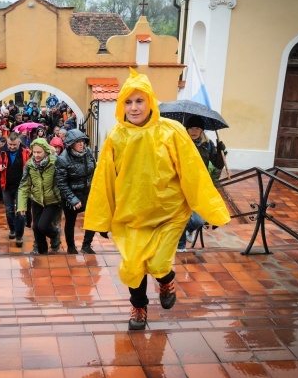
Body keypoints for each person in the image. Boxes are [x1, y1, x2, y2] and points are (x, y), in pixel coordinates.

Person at [84, 69, 230, 330]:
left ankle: (166, 281)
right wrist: (100, 220)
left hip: (169, 214)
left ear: (150, 101)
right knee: (132, 266)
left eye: (139, 100)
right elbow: (104, 179)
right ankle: (139, 307)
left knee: (159, 263)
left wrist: (212, 210)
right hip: (130, 217)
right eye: (128, 101)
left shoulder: (172, 131)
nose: (134, 107)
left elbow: (193, 172)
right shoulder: (116, 136)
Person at [176, 116, 227, 252]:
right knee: (181, 216)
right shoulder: (180, 142)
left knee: (199, 219)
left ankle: (190, 229)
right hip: (181, 184)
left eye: (197, 128)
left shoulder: (207, 144)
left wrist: (221, 152)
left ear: (202, 130)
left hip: (199, 185)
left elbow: (217, 164)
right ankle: (180, 246)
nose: (194, 130)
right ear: (186, 129)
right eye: (191, 127)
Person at [55, 129, 97, 254]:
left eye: (83, 141)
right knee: (70, 221)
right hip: (71, 194)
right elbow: (61, 183)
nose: (81, 144)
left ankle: (87, 244)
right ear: (70, 143)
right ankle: (71, 247)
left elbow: (94, 171)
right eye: (78, 142)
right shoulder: (63, 159)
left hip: (87, 192)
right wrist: (73, 199)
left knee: (93, 218)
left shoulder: (88, 153)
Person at [17, 138, 61, 255]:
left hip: (53, 200)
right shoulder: (30, 165)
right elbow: (24, 186)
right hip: (36, 199)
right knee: (36, 228)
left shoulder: (55, 162)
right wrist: (22, 206)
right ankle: (43, 252)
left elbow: (63, 181)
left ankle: (55, 234)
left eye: (39, 152)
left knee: (43, 226)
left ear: (46, 151)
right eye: (34, 152)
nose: (36, 155)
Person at [0, 132, 30, 247]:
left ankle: (19, 235)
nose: (11, 147)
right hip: (5, 185)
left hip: (21, 186)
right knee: (9, 210)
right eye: (10, 144)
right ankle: (12, 229)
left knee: (21, 211)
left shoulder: (26, 151)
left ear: (19, 142)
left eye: (14, 145)